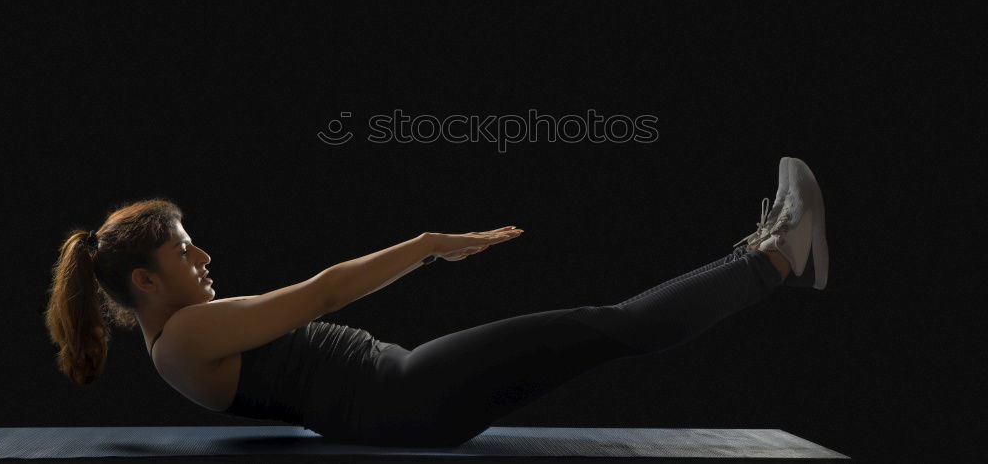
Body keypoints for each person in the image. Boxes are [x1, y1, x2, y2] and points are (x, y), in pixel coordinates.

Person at [43, 156, 828, 448]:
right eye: (184, 250)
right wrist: (426, 243)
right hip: (406, 398)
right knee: (605, 326)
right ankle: (774, 257)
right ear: (144, 280)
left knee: (601, 332)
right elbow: (321, 292)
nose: (203, 257)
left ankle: (767, 259)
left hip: (407, 395)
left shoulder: (178, 338)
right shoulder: (184, 338)